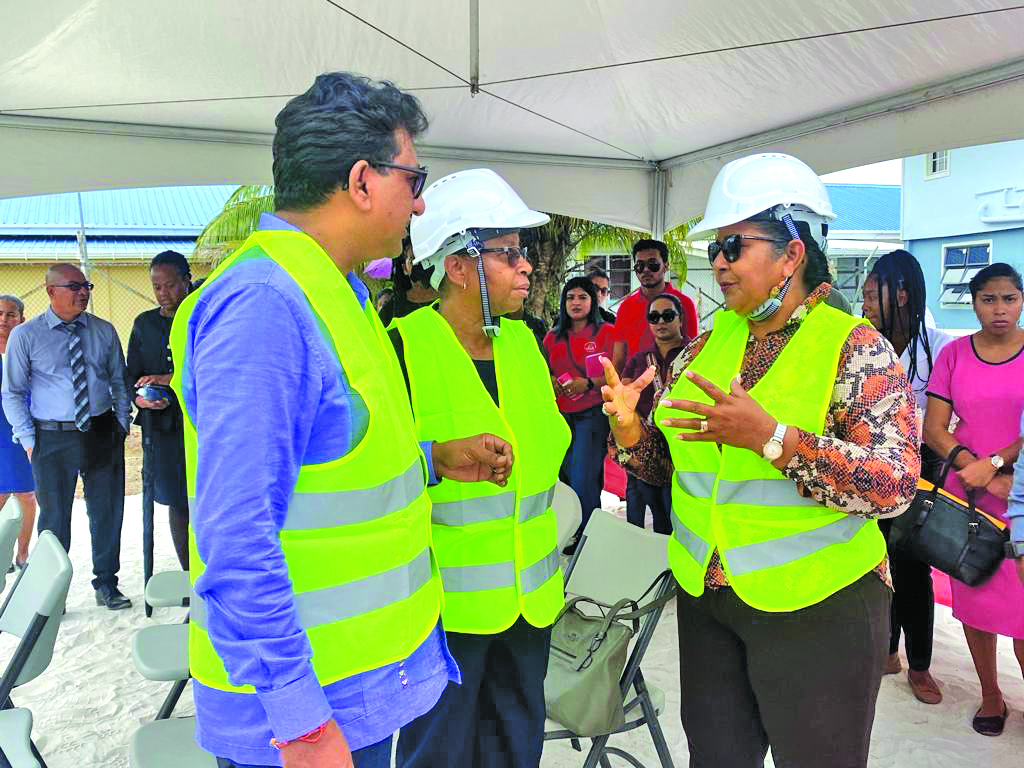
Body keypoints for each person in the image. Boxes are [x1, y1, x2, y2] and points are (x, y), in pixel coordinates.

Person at [169, 73, 514, 768]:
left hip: (363, 694)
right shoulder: (266, 307)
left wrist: (434, 460)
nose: (418, 202)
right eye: (412, 179)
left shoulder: (337, 295)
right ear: (362, 182)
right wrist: (300, 722)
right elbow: (237, 536)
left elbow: (330, 472)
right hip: (310, 722)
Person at [601, 152, 919, 767]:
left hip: (820, 606)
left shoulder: (854, 347)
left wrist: (776, 439)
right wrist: (631, 430)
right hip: (708, 598)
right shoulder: (708, 343)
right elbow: (674, 470)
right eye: (715, 248)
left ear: (791, 254)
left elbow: (896, 484)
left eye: (733, 246)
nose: (716, 264)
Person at [390, 168, 569, 768]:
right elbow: (378, 472)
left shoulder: (525, 345)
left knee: (515, 747)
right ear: (460, 266)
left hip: (529, 606)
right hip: (444, 611)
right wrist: (436, 458)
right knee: (438, 752)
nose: (527, 268)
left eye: (526, 255)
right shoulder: (402, 349)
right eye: (510, 254)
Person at [923, 261, 1024, 737]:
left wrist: (998, 466)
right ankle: (990, 693)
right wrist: (973, 467)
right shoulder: (954, 355)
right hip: (970, 496)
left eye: (1009, 298)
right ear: (974, 302)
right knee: (977, 598)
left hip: (1018, 495)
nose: (1000, 309)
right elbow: (934, 429)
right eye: (989, 299)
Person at [1, 264, 132, 610]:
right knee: (55, 519)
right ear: (50, 291)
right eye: (74, 286)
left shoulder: (103, 331)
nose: (83, 292)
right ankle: (52, 594)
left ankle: (107, 583)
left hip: (102, 432)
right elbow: (12, 392)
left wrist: (121, 424)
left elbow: (119, 380)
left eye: (85, 285)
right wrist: (28, 438)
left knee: (107, 512)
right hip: (51, 438)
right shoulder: (26, 336)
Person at [861, 249, 952, 704]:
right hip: (869, 470)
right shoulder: (862, 344)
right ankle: (886, 650)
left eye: (873, 286)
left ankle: (920, 665)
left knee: (914, 569)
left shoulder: (939, 347)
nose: (864, 295)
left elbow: (949, 420)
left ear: (900, 291)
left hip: (921, 473)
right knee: (876, 563)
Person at [126, 250, 192, 570]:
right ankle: (188, 576)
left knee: (206, 500)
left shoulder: (202, 316)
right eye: (157, 287)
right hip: (163, 430)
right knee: (177, 501)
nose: (164, 293)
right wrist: (141, 397)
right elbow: (131, 377)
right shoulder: (144, 324)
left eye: (170, 285)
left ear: (187, 280)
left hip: (202, 424)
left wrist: (170, 379)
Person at [543, 276, 616, 555]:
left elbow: (616, 372)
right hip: (562, 414)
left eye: (582, 297)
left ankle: (588, 534)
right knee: (569, 476)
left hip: (592, 413)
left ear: (593, 300)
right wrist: (551, 380)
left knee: (583, 475)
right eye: (570, 297)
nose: (575, 303)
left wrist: (587, 384)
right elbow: (545, 369)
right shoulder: (553, 337)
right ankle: (579, 528)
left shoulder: (607, 333)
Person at [619, 292, 688, 534]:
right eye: (654, 317)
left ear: (681, 319)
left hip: (681, 444)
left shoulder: (695, 353)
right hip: (647, 444)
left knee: (676, 513)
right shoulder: (639, 359)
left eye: (668, 316)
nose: (660, 322)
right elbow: (624, 397)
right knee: (645, 507)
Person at [611, 239, 697, 371]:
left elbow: (692, 351)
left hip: (672, 383)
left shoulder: (684, 303)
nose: (645, 270)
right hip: (635, 384)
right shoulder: (626, 307)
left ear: (666, 266)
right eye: (640, 265)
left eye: (653, 264)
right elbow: (618, 359)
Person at [0, 295, 37, 570]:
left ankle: (22, 554)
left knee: (26, 494)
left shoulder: (26, 350)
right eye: (0, 314)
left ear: (22, 320)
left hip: (20, 431)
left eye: (11, 314)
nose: (4, 320)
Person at [378, 237, 438, 325]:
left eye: (423, 259)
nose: (419, 265)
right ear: (404, 268)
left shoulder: (447, 295)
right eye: (413, 260)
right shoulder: (390, 310)